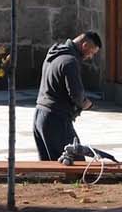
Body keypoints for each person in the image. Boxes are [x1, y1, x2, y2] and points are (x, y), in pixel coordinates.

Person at [33, 31, 102, 162]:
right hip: (56, 119)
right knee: (77, 164)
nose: (91, 57)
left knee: (50, 166)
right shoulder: (70, 62)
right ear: (85, 45)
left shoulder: (54, 53)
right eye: (92, 52)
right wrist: (87, 104)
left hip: (39, 116)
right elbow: (77, 95)